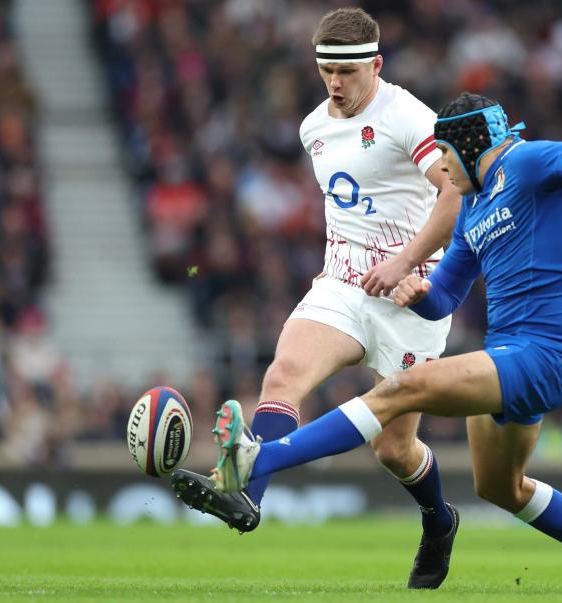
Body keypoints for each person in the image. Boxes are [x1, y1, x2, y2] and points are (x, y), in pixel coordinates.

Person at [203, 91, 562, 593]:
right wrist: (417, 293)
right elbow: (444, 298)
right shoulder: (470, 209)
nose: (442, 165)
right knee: (500, 488)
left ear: (470, 144)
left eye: (445, 152)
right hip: (506, 356)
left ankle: (261, 458)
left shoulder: (526, 162)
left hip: (544, 354)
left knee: (403, 388)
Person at [171, 7, 463, 590]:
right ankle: (248, 498)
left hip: (411, 296)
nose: (335, 83)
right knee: (282, 379)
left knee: (394, 451)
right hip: (342, 283)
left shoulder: (409, 115)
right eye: (326, 70)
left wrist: (405, 263)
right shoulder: (312, 128)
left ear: (375, 66)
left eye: (347, 73)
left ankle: (439, 519)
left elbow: (456, 193)